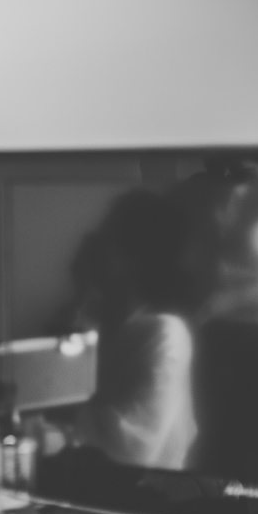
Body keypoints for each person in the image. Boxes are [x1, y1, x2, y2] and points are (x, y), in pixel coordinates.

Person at [66, 190, 198, 469]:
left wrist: (67, 424)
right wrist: (80, 296)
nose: (92, 245)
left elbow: (134, 450)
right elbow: (57, 390)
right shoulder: (94, 322)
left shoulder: (165, 334)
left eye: (106, 238)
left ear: (138, 257)